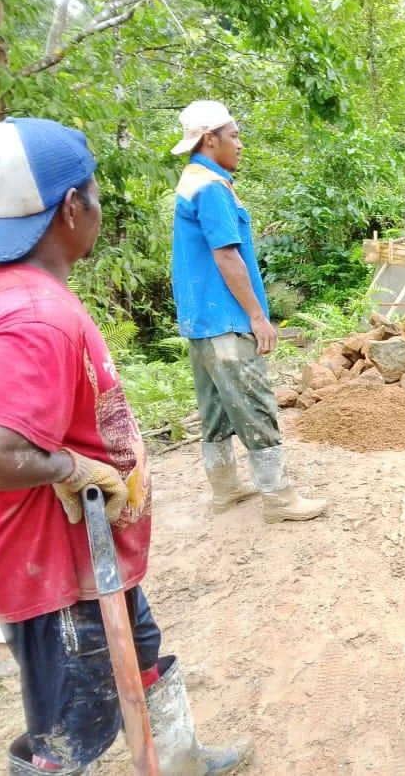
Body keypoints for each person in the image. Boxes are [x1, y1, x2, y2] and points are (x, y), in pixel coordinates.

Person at [0, 117, 248, 774]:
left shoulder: (13, 290)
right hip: (60, 570)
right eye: (95, 191)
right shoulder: (35, 316)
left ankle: (181, 757)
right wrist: (71, 467)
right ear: (72, 207)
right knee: (75, 727)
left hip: (93, 555)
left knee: (142, 653)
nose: (99, 204)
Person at [170, 100, 326, 524]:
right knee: (256, 404)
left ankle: (225, 488)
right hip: (226, 319)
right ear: (209, 139)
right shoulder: (213, 189)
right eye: (234, 135)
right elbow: (227, 256)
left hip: (201, 321)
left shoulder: (192, 180)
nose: (240, 144)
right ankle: (278, 498)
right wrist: (258, 316)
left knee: (216, 407)